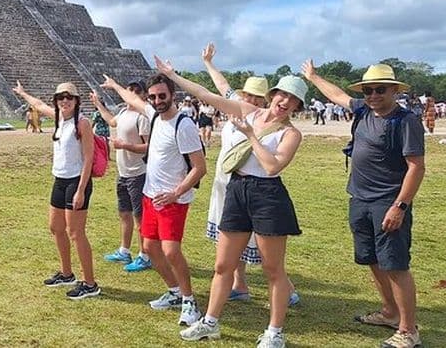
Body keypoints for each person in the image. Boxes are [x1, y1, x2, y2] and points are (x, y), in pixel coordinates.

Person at [160, 59, 306, 348]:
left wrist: (251, 134)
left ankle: (275, 332)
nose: (285, 102)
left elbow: (272, 166)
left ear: (297, 107)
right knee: (223, 264)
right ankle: (210, 322)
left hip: (267, 195)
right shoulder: (249, 110)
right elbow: (206, 95)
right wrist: (171, 74)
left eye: (293, 100)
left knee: (273, 269)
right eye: (283, 95)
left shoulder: (291, 133)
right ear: (273, 94)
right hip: (237, 188)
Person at [302, 61, 425, 348]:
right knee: (371, 259)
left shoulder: (405, 122)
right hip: (360, 199)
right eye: (368, 90)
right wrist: (313, 77)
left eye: (379, 90)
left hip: (388, 202)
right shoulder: (362, 110)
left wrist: (400, 206)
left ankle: (408, 331)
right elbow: (337, 96)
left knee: (395, 264)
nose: (372, 95)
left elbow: (416, 167)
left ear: (394, 90)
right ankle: (390, 312)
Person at [101, 72, 207, 328]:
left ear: (172, 95)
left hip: (172, 198)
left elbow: (199, 168)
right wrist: (114, 85)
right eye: (153, 97)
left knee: (171, 250)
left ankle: (189, 301)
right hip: (151, 195)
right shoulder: (154, 116)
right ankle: (174, 291)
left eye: (162, 96)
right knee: (149, 248)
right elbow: (132, 99)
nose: (158, 100)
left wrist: (176, 192)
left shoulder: (185, 125)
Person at [198, 43, 300, 306]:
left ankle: (286, 288)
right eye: (248, 96)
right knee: (232, 241)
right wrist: (208, 63)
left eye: (257, 97)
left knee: (263, 246)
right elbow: (219, 87)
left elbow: (273, 165)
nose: (252, 100)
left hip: (254, 186)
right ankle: (239, 284)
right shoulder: (237, 106)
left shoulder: (259, 118)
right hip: (228, 182)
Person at [12, 80, 101, 300]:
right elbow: (39, 105)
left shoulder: (83, 123)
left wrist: (81, 190)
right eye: (60, 97)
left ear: (76, 100)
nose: (64, 101)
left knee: (76, 233)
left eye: (68, 97)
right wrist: (23, 93)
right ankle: (67, 273)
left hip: (76, 181)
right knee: (55, 227)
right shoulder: (60, 119)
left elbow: (89, 158)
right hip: (59, 180)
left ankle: (90, 283)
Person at [90, 81, 152, 272]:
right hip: (123, 173)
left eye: (133, 92)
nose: (128, 96)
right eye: (128, 92)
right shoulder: (124, 113)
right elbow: (111, 121)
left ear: (142, 96)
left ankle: (145, 255)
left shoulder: (142, 118)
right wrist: (98, 104)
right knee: (124, 213)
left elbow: (149, 146)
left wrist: (125, 146)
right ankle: (124, 250)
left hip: (138, 174)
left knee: (139, 217)